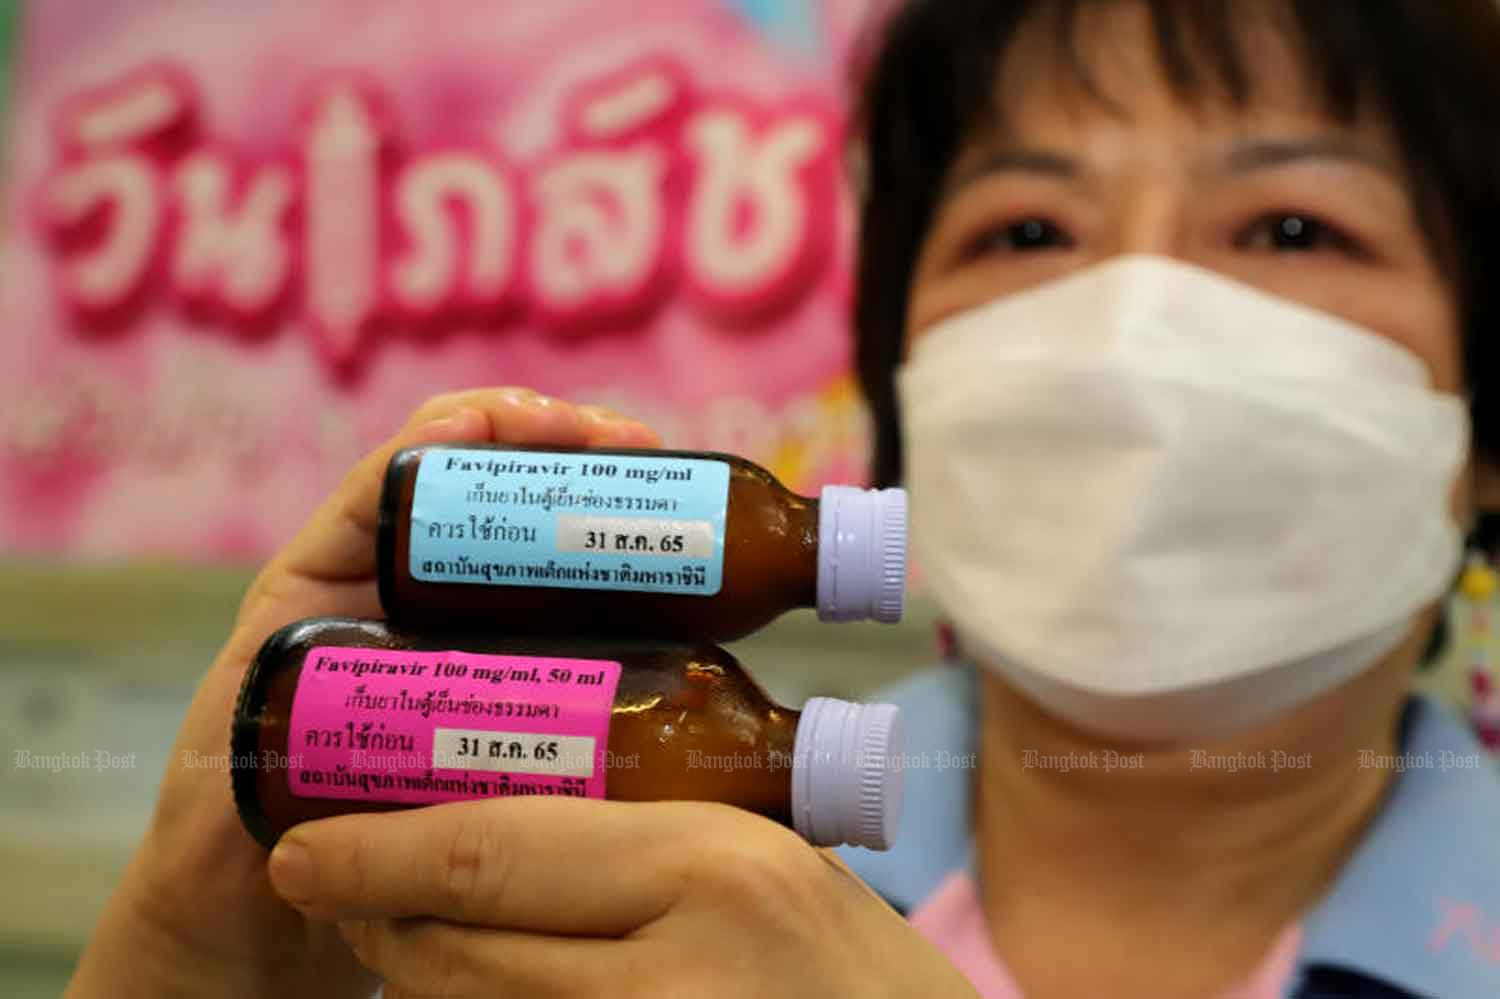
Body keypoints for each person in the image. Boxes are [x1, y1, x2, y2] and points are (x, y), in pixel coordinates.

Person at [64, 1, 1500, 997]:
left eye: (1294, 224)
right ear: (914, 388)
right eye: (1030, 227)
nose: (1130, 329)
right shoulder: (567, 849)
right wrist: (204, 959)